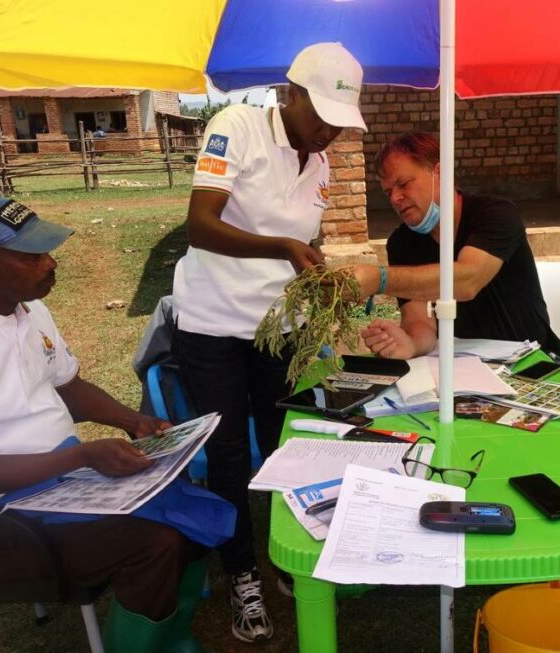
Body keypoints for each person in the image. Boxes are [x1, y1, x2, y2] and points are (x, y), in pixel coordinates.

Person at [0, 196, 218, 652]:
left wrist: (134, 420)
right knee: (156, 540)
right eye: (31, 256)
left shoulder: (26, 309)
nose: (50, 263)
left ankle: (171, 637)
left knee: (196, 505)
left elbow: (68, 384)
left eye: (47, 251)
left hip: (61, 486)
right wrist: (81, 454)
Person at [170, 42, 367, 642]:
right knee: (228, 455)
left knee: (286, 442)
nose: (329, 134)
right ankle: (242, 575)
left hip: (278, 331)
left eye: (340, 124)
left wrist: (319, 274)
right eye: (321, 119)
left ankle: (285, 556)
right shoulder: (239, 127)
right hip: (212, 327)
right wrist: (282, 247)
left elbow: (304, 240)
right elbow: (200, 224)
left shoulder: (320, 163)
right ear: (291, 94)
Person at [351, 132, 560, 360]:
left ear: (440, 174)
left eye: (403, 184)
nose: (395, 198)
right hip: (461, 364)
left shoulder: (495, 214)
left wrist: (380, 280)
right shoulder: (401, 243)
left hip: (528, 360)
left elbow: (468, 280)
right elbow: (420, 322)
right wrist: (410, 343)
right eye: (388, 192)